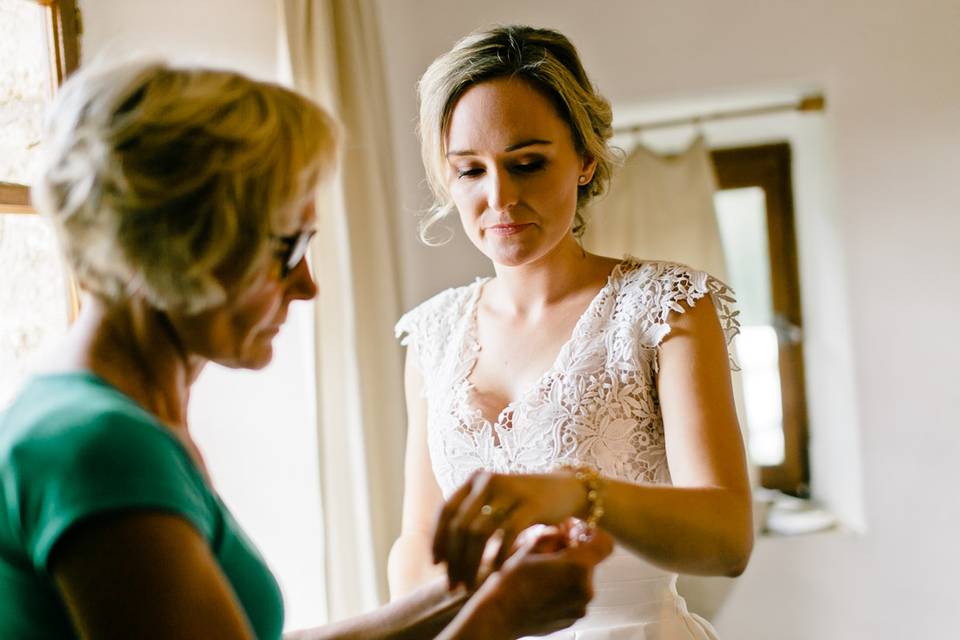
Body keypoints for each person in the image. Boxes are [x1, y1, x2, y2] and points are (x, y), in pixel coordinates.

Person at [0, 59, 613, 639]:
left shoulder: (113, 418)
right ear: (186, 242)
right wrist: (497, 620)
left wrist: (468, 591)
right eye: (287, 248)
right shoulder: (97, 446)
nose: (308, 284)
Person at [390, 26, 753, 638]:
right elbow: (420, 537)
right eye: (470, 171)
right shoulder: (432, 335)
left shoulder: (666, 309)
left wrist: (578, 493)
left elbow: (727, 540)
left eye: (527, 163)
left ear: (585, 159)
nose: (499, 197)